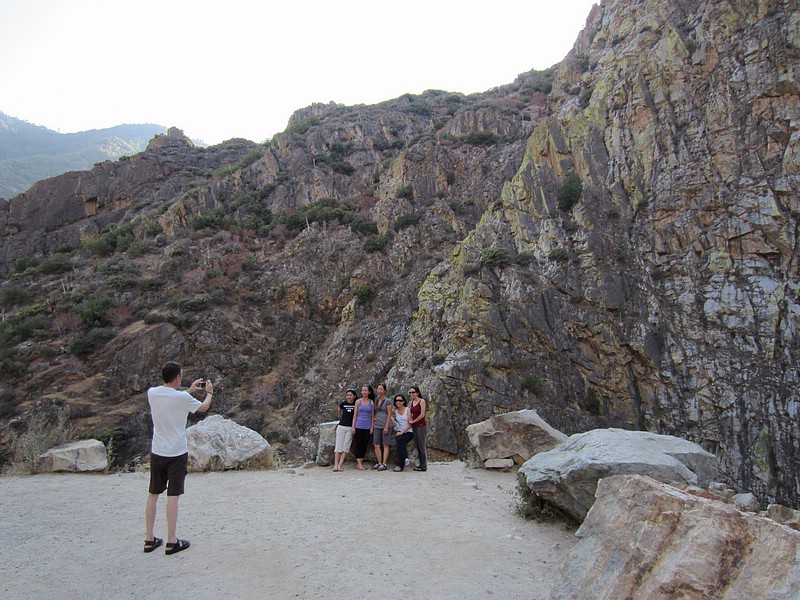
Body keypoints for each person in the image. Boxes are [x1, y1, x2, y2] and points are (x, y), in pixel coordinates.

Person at [144, 361, 213, 555]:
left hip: (157, 451)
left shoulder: (152, 393)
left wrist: (188, 391)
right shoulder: (181, 398)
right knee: (172, 496)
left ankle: (149, 539)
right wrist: (209, 393)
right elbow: (203, 408)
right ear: (178, 378)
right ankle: (172, 541)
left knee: (153, 494)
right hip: (176, 453)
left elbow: (172, 399)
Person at [333, 389, 357, 471]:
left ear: (354, 396)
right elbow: (339, 410)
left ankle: (340, 465)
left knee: (345, 447)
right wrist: (341, 416)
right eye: (348, 395)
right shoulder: (343, 403)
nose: (349, 397)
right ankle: (335, 465)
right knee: (338, 446)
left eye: (350, 395)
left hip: (350, 427)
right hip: (342, 426)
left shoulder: (356, 404)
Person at [351, 384, 375, 470]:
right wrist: (353, 426)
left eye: (366, 390)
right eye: (363, 390)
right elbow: (355, 415)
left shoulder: (371, 402)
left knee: (364, 444)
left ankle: (360, 461)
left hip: (367, 426)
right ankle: (359, 463)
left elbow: (372, 415)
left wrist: (372, 427)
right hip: (358, 425)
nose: (364, 392)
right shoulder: (358, 401)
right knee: (358, 444)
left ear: (369, 392)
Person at [372, 383, 393, 471]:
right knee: (376, 444)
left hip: (385, 423)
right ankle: (379, 462)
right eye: (378, 389)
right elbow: (373, 412)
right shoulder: (376, 400)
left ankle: (384, 463)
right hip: (377, 424)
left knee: (385, 444)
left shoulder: (388, 401)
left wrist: (387, 426)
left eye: (381, 389)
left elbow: (389, 414)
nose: (379, 391)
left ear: (384, 390)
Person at [391, 394, 413, 472]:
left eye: (400, 400)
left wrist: (402, 432)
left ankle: (400, 465)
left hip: (408, 431)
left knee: (400, 441)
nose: (398, 402)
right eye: (396, 401)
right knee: (399, 440)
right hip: (399, 430)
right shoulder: (395, 411)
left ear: (403, 401)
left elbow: (410, 423)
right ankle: (406, 459)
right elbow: (395, 423)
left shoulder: (407, 409)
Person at [408, 385, 427, 471]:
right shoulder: (412, 402)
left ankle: (424, 465)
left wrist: (414, 421)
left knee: (421, 445)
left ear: (417, 393)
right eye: (410, 392)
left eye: (413, 392)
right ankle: (420, 463)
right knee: (417, 445)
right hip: (414, 426)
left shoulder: (421, 401)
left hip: (420, 425)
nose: (411, 394)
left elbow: (422, 414)